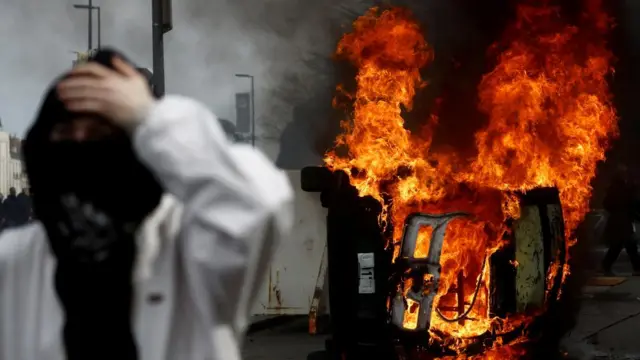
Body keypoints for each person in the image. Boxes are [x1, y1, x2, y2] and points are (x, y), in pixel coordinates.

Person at [0, 49, 293, 360]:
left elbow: (257, 202)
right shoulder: (15, 262)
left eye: (102, 131)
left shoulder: (190, 250)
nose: (81, 144)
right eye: (65, 132)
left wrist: (149, 116)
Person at [601, 164, 640, 276]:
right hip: (621, 221)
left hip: (619, 220)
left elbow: (607, 204)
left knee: (621, 245)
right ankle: (606, 266)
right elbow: (632, 203)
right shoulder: (622, 189)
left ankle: (606, 266)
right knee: (627, 245)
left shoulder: (617, 188)